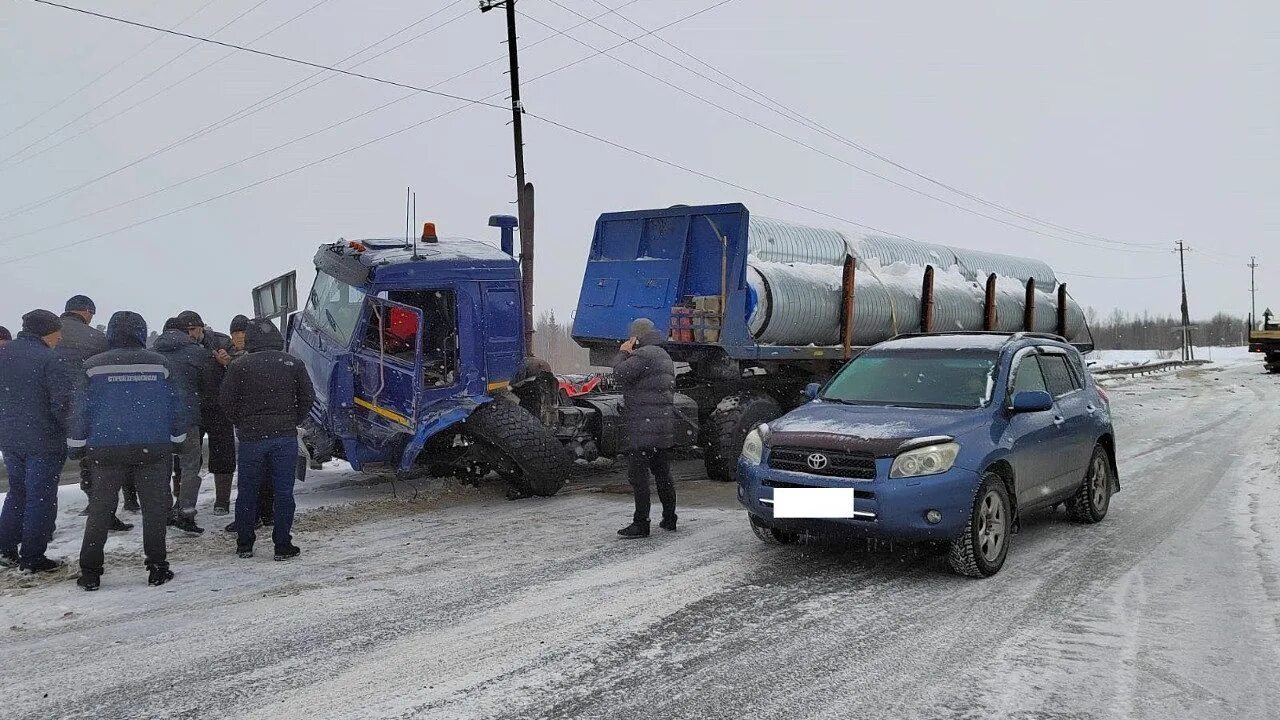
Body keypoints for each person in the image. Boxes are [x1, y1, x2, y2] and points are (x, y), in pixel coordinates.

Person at [70, 312, 190, 590]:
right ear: (141, 332)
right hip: (153, 446)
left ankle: (90, 571)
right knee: (155, 508)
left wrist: (76, 446)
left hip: (106, 448)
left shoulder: (92, 367)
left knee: (101, 508)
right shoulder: (161, 364)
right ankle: (157, 566)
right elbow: (177, 405)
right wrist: (178, 439)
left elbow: (80, 410)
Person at [221, 319, 314, 560]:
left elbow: (226, 402)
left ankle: (244, 544)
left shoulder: (239, 366)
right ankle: (282, 545)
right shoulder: (292, 363)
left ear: (250, 340)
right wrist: (292, 419)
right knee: (284, 492)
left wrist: (242, 422)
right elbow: (308, 397)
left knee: (247, 491)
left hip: (252, 438)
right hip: (284, 437)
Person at [55, 295, 135, 530]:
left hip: (54, 405)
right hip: (90, 405)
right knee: (94, 459)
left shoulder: (51, 334)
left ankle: (39, 523)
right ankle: (100, 506)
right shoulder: (97, 338)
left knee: (48, 463)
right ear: (87, 312)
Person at [0, 310, 70, 572]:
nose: (60, 337)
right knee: (40, 498)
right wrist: (71, 433)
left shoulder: (4, 354)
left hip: (10, 439)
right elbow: (61, 404)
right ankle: (33, 557)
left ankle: (5, 548)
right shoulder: (49, 359)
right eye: (57, 330)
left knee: (17, 492)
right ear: (47, 331)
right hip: (43, 440)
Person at [612, 318, 678, 539]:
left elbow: (619, 374)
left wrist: (623, 352)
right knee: (663, 474)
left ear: (636, 336)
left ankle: (641, 523)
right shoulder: (664, 355)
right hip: (662, 427)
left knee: (638, 477)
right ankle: (670, 518)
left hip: (643, 428)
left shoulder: (643, 355)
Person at [153, 316, 216, 534]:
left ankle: (163, 511)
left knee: (161, 466)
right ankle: (186, 511)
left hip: (158, 421)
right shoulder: (196, 353)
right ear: (184, 332)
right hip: (187, 417)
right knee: (190, 466)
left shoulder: (152, 355)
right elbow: (209, 385)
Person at [178, 311, 238, 516]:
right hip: (191, 407)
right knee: (187, 457)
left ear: (202, 327)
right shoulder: (179, 346)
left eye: (193, 329)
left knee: (223, 454)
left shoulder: (221, 341)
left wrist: (227, 362)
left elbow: (239, 368)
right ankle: (183, 503)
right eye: (186, 330)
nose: (190, 334)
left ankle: (222, 502)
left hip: (219, 406)